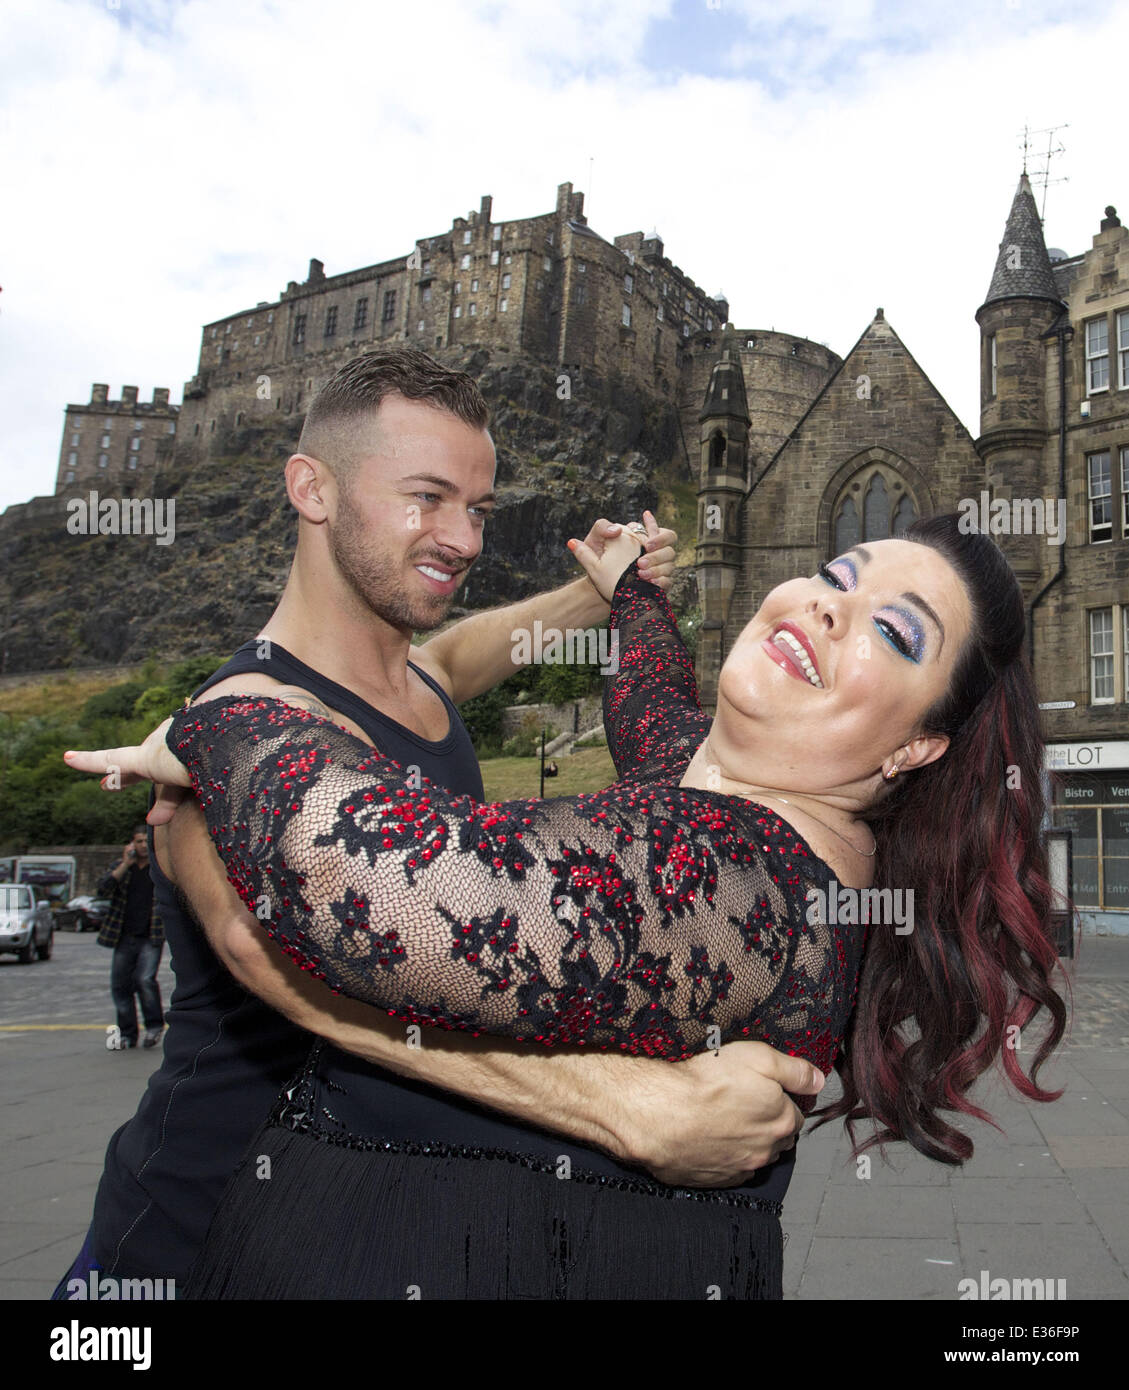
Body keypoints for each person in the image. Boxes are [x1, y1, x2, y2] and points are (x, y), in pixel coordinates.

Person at [74, 512, 1069, 1300]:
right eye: (837, 575)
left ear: (914, 748)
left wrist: (221, 713)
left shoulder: (735, 873)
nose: (827, 607)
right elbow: (648, 686)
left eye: (894, 634)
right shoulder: (712, 781)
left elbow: (366, 883)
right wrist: (631, 583)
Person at [54, 346, 818, 1300]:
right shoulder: (248, 726)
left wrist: (603, 587)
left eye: (478, 508)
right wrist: (634, 1107)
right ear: (312, 489)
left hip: (357, 1226)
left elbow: (457, 656)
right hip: (186, 1236)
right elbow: (277, 965)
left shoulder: (413, 681)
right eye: (426, 498)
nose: (462, 539)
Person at [96, 826, 164, 1050]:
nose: (143, 845)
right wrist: (125, 864)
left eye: (146, 840)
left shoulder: (160, 867)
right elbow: (103, 890)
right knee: (120, 985)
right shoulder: (121, 868)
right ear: (131, 844)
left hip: (150, 935)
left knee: (144, 980)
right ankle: (127, 1033)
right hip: (124, 936)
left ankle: (154, 1026)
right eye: (138, 841)